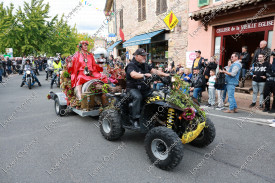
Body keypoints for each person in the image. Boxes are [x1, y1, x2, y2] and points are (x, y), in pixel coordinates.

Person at [125, 48, 170, 129]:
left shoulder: (145, 65)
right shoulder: (131, 65)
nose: (144, 57)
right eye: (143, 56)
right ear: (137, 56)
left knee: (158, 94)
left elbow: (155, 71)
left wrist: (166, 75)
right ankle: (135, 119)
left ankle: (155, 115)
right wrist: (143, 75)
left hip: (145, 89)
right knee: (138, 97)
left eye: (145, 56)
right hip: (133, 89)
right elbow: (133, 74)